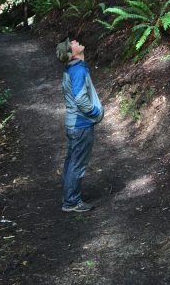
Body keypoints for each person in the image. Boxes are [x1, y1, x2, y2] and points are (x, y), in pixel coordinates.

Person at [56, 37, 104, 213]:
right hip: (80, 125)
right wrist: (95, 113)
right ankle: (71, 202)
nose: (75, 41)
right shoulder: (77, 70)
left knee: (72, 162)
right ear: (72, 54)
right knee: (77, 164)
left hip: (74, 124)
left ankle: (69, 197)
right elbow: (80, 99)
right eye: (72, 44)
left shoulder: (73, 68)